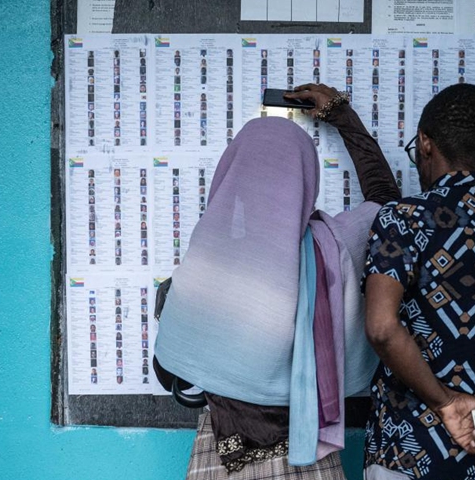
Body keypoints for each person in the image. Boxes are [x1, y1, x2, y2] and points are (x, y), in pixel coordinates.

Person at [154, 83, 400, 479]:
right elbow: (388, 206)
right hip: (307, 460)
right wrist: (341, 115)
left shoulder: (203, 266)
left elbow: (172, 376)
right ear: (307, 181)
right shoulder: (331, 251)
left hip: (219, 461)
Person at [361, 84, 475, 480]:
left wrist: (446, 402)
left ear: (426, 144)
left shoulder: (403, 219)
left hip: (409, 444)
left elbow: (381, 328)